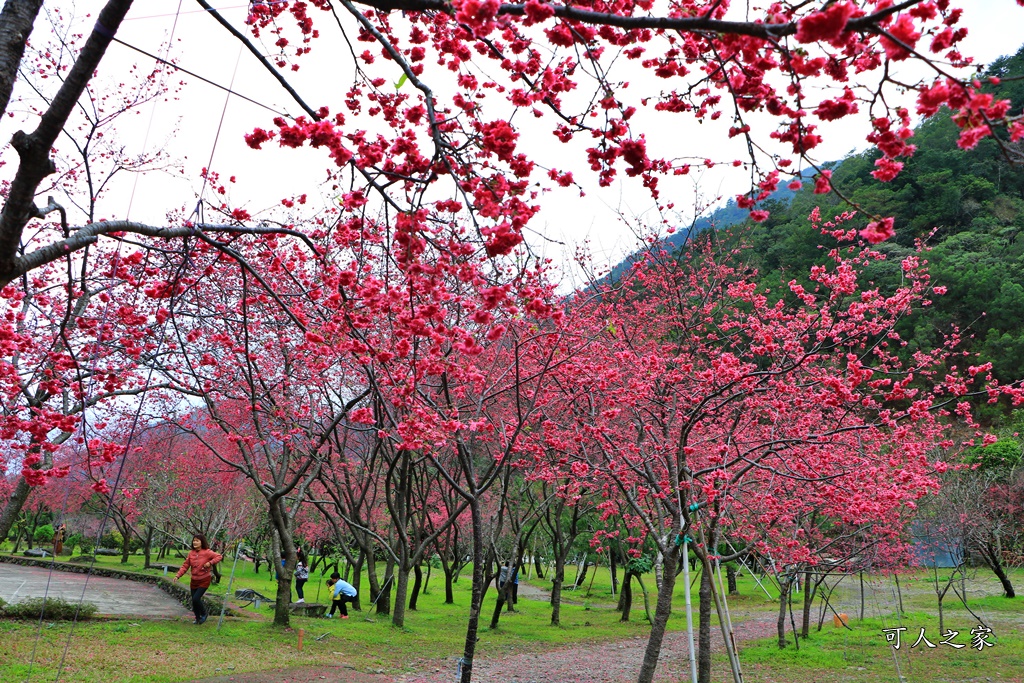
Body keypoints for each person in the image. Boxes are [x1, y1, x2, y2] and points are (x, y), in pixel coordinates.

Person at [175, 534, 223, 625]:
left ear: (202, 542)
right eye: (194, 540)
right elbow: (185, 566)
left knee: (196, 599)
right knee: (194, 601)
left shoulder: (207, 552)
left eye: (197, 541)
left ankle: (204, 613)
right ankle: (197, 619)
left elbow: (219, 556)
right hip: (194, 581)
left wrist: (210, 563)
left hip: (204, 580)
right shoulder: (191, 553)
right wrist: (178, 576)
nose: (195, 542)